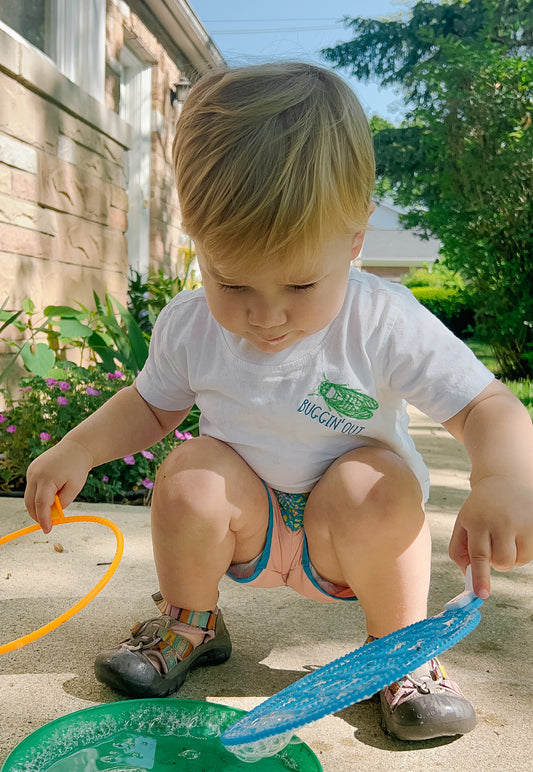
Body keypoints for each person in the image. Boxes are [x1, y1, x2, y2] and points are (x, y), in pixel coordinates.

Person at [25, 62, 533, 743]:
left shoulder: (381, 319)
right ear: (196, 245)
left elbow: (485, 407)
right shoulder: (190, 324)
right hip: (249, 527)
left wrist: (502, 477)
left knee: (375, 481)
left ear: (354, 239)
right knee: (190, 472)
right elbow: (149, 406)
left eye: (299, 286)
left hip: (349, 536)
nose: (265, 317)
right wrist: (78, 447)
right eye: (230, 282)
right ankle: (189, 622)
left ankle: (399, 653)